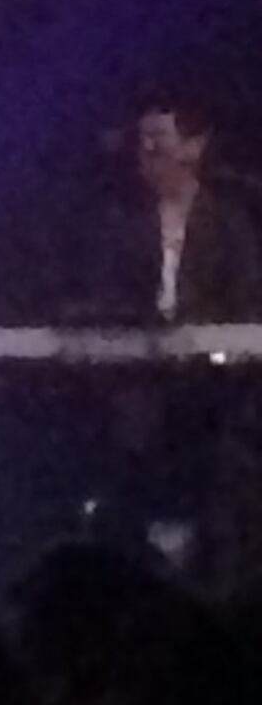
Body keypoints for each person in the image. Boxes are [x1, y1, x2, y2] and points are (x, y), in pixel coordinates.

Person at [80, 99, 262, 582]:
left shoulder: (229, 223)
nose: (146, 149)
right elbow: (102, 306)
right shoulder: (120, 226)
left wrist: (211, 348)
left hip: (214, 398)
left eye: (158, 138)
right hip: (141, 392)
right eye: (142, 140)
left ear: (194, 147)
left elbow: (248, 310)